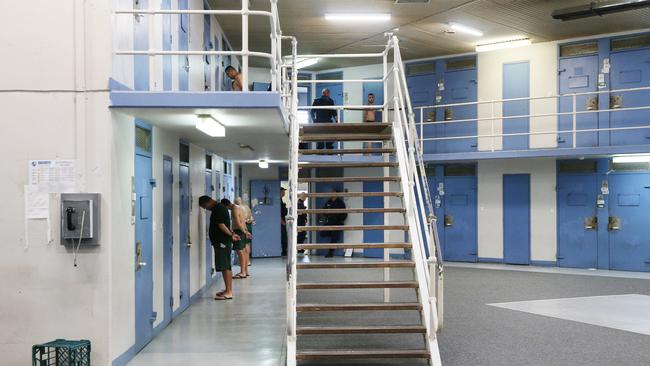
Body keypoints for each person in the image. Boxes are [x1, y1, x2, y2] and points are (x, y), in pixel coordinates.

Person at [198, 195, 241, 300]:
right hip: (222, 242)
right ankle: (227, 289)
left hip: (222, 242)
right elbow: (226, 224)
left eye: (205, 206)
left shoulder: (218, 209)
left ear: (208, 202)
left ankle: (229, 292)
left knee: (225, 266)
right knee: (224, 265)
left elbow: (221, 225)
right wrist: (232, 233)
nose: (205, 209)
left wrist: (231, 235)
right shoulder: (221, 208)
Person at [221, 198, 251, 278]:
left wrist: (244, 232)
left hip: (239, 231)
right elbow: (243, 221)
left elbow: (238, 223)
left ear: (225, 206)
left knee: (240, 252)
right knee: (243, 251)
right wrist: (246, 231)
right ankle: (245, 271)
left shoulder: (234, 209)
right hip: (242, 231)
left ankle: (243, 272)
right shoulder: (239, 207)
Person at [322, 189, 347, 258]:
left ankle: (330, 252)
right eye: (331, 192)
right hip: (329, 222)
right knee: (322, 233)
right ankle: (334, 236)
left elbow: (344, 213)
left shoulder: (340, 202)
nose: (332, 194)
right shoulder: (328, 201)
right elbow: (324, 210)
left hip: (337, 222)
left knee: (334, 237)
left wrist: (340, 221)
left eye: (334, 192)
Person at [235, 197, 254, 265]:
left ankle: (243, 262)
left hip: (242, 226)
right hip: (248, 225)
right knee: (247, 244)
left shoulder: (237, 208)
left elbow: (238, 221)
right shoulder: (246, 207)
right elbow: (251, 218)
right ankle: (247, 261)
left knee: (242, 245)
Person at [280, 187, 288, 256]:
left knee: (284, 236)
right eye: (283, 191)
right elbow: (277, 212)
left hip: (283, 220)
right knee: (283, 236)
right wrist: (282, 221)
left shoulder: (281, 200)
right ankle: (284, 251)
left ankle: (284, 250)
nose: (284, 193)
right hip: (281, 221)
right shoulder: (278, 201)